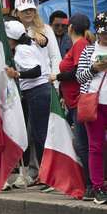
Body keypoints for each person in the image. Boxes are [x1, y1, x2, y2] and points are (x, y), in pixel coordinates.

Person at [49, 13, 94, 199]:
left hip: (78, 101)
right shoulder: (78, 45)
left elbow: (77, 73)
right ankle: (89, 181)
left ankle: (91, 183)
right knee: (82, 143)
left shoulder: (80, 44)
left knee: (83, 144)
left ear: (70, 28)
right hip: (72, 100)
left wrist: (57, 77)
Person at [4, 20, 52, 188]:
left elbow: (36, 70)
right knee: (39, 136)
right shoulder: (30, 44)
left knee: (40, 136)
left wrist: (16, 73)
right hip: (40, 92)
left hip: (37, 92)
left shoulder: (21, 49)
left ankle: (48, 176)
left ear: (12, 39)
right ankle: (45, 174)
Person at [76, 11, 107, 205]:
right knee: (95, 147)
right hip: (94, 104)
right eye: (103, 32)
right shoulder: (89, 50)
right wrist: (95, 68)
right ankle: (97, 187)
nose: (105, 36)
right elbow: (79, 77)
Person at [15, 0, 61, 76]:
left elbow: (55, 56)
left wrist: (55, 79)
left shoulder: (46, 29)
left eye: (31, 9)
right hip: (22, 81)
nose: (28, 12)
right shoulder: (11, 31)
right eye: (24, 10)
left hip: (45, 81)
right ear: (16, 13)